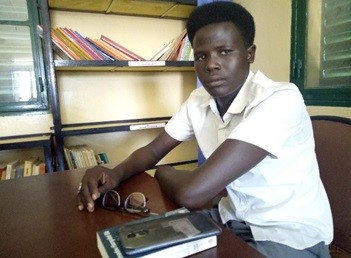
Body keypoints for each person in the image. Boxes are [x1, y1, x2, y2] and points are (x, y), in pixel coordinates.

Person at [77, 2, 333, 257]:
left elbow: (192, 192)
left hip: (290, 236)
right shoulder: (198, 101)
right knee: (134, 241)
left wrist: (164, 172)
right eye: (201, 56)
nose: (211, 64)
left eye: (224, 51)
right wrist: (114, 173)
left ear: (249, 54)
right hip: (231, 218)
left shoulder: (280, 99)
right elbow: (153, 150)